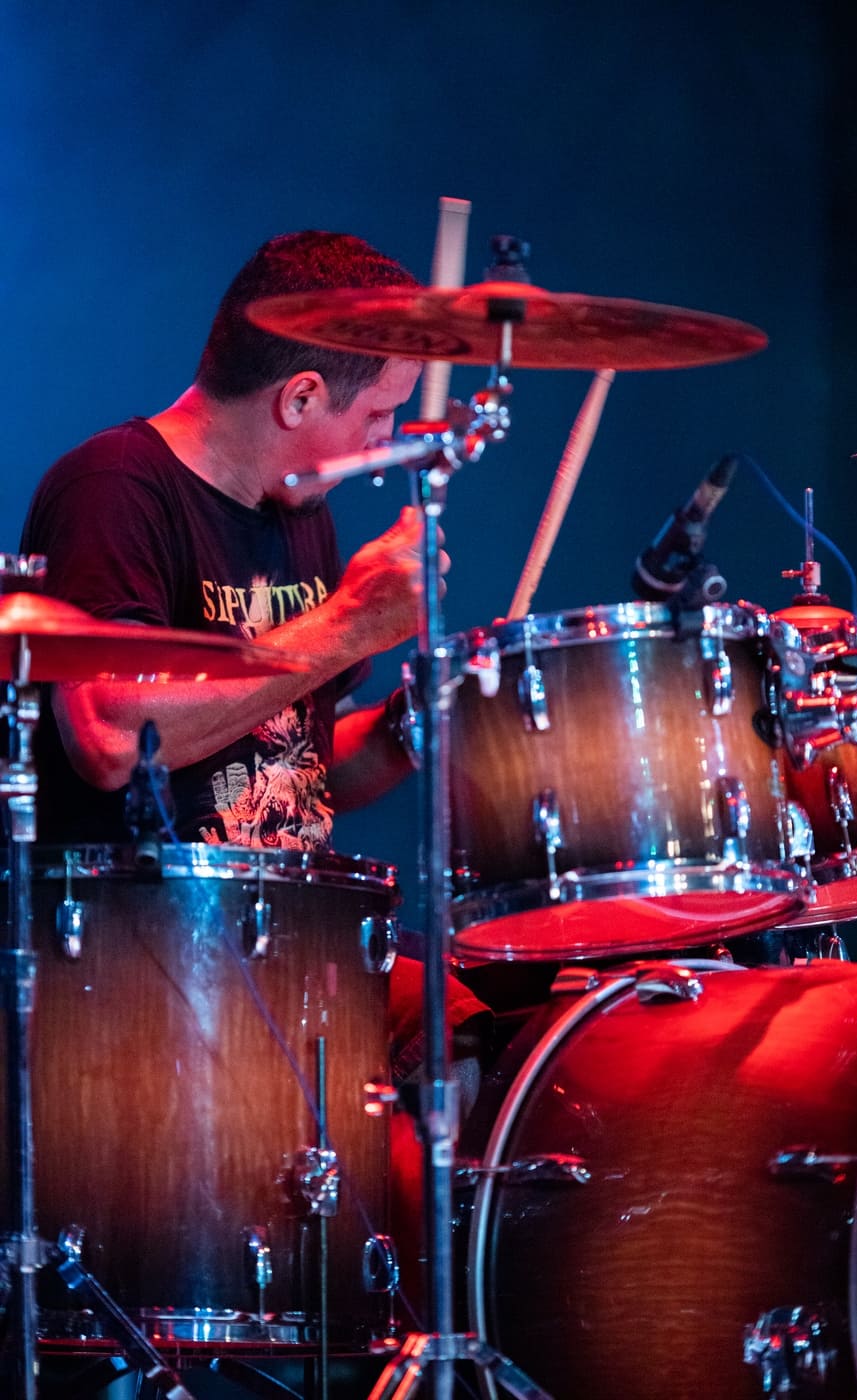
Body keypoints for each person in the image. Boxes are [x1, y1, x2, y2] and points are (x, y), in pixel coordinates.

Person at [19, 230, 490, 1315]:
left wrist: (408, 731)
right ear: (301, 395)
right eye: (378, 419)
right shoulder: (115, 488)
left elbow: (289, 763)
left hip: (294, 940)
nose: (383, 446)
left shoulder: (296, 514)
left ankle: (415, 1335)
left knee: (491, 1039)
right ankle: (399, 1324)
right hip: (152, 952)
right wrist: (345, 625)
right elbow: (112, 734)